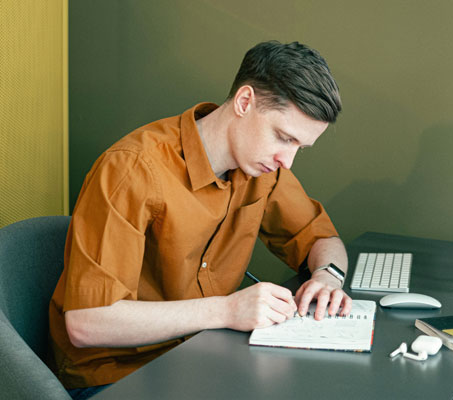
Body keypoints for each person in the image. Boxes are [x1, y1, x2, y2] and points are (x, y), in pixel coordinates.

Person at [48, 40, 352, 396]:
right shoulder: (132, 169)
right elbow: (87, 323)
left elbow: (321, 239)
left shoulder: (264, 170)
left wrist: (327, 277)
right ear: (244, 102)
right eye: (284, 138)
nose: (288, 160)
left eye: (299, 147)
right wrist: (226, 311)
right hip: (117, 376)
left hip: (204, 357)